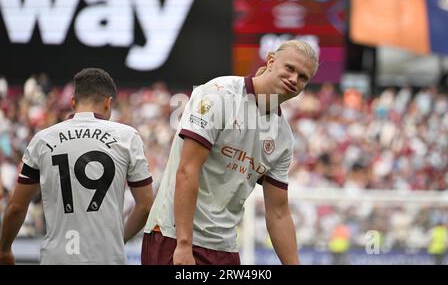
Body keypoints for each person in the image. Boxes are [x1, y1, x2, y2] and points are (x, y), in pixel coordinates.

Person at [141, 40, 319, 265]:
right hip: (173, 237)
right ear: (271, 61)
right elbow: (187, 170)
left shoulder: (282, 137)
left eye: (303, 77)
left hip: (223, 247)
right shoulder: (220, 94)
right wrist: (184, 245)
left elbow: (279, 213)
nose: (294, 79)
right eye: (290, 68)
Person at [0, 68, 154, 265]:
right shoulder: (127, 137)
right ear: (108, 103)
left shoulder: (42, 140)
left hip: (57, 259)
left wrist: (4, 250)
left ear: (73, 102)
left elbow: (16, 207)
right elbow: (146, 206)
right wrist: (117, 239)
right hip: (107, 259)